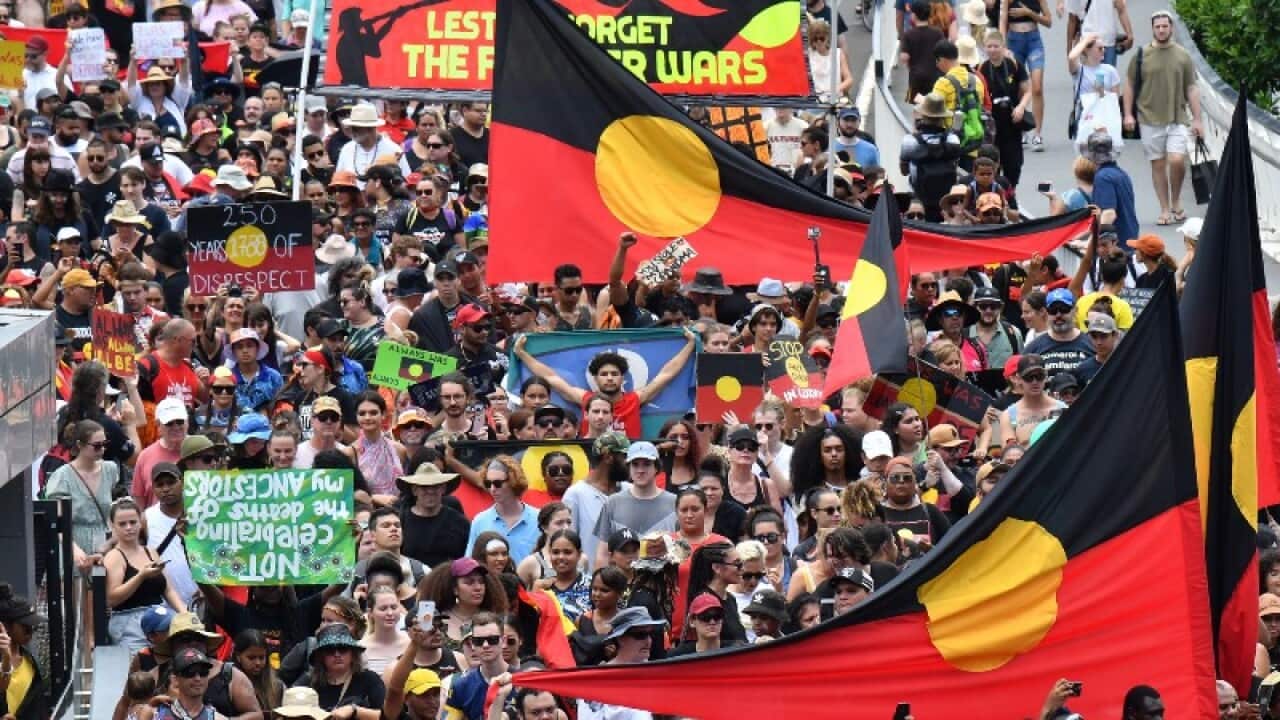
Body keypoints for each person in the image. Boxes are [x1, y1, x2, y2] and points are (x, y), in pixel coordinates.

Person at [512, 329, 696, 439]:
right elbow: (551, 377)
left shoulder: (634, 400)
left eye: (614, 374)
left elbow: (666, 374)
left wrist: (690, 345)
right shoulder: (585, 399)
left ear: (623, 379)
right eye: (604, 374)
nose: (609, 378)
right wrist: (521, 354)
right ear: (596, 378)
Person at [1122, 10, 1202, 227]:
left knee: (1177, 160)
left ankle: (1176, 200)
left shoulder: (1183, 55)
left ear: (1171, 28)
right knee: (1157, 165)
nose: (1161, 30)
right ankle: (1165, 208)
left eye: (1164, 26)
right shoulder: (1141, 55)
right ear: (1153, 29)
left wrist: (1197, 119)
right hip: (1149, 117)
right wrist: (1128, 114)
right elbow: (1129, 84)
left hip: (1177, 116)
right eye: (1157, 27)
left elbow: (1191, 87)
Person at [103, 497, 186, 651]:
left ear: (140, 523)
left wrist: (184, 613)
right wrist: (140, 576)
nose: (129, 527)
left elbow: (168, 589)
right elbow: (112, 598)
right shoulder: (114, 557)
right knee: (139, 671)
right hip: (130, 624)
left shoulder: (151, 552)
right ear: (113, 527)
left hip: (160, 618)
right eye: (122, 524)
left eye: (133, 522)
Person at [43, 419, 121, 570]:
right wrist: (73, 548)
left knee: (103, 590)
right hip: (72, 545)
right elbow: (57, 522)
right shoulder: (62, 476)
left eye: (105, 444)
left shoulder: (110, 470)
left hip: (104, 546)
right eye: (97, 446)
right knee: (75, 591)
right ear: (79, 445)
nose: (102, 449)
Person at [592, 442, 677, 569]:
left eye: (647, 464)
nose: (640, 470)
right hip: (622, 584)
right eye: (635, 464)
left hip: (662, 583)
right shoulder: (612, 503)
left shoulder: (674, 502)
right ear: (629, 468)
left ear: (656, 468)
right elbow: (603, 554)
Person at [465, 456, 540, 564]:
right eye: (488, 484)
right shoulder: (480, 520)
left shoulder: (539, 519)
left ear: (513, 481)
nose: (492, 489)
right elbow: (471, 562)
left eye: (497, 483)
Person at [304, 624, 385, 719]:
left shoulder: (370, 679)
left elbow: (388, 716)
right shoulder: (310, 682)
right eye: (330, 650)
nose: (337, 654)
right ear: (321, 656)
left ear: (353, 653)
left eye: (343, 648)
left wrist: (355, 711)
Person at [398, 462, 470, 569]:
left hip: (449, 582)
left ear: (443, 488)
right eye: (424, 486)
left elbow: (468, 558)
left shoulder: (459, 522)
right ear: (414, 490)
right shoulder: (400, 521)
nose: (430, 491)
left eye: (435, 486)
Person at [441, 612, 508, 720]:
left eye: (492, 640)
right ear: (473, 644)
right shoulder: (461, 686)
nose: (485, 645)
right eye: (479, 641)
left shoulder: (521, 679)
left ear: (504, 641)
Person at [0, 583, 48, 720]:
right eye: (26, 626)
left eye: (33, 627)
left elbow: (39, 708)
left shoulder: (29, 661)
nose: (30, 632)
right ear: (6, 626)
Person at [999, 355, 1067, 446]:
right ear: (1018, 379)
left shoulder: (1062, 409)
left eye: (1039, 376)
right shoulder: (1008, 416)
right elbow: (1010, 454)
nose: (1034, 382)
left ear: (1046, 376)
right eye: (1029, 377)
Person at [360, 586, 408, 675]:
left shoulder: (411, 642)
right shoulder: (360, 649)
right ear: (370, 613)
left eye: (394, 607)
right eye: (383, 609)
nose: (390, 613)